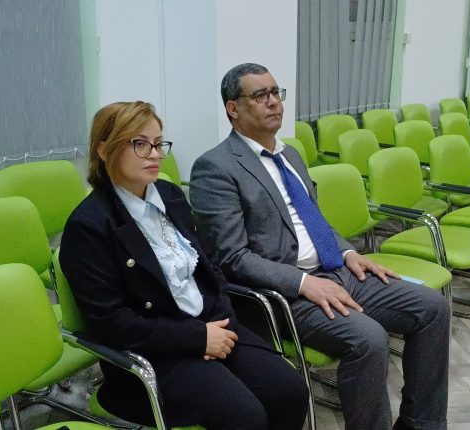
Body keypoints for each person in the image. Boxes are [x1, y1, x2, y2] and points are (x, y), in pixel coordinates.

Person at [190, 63, 450, 430]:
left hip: (336, 269)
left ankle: (420, 424)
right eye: (260, 95)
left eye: (275, 92)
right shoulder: (215, 167)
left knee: (433, 308)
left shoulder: (290, 155)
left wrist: (348, 253)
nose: (273, 102)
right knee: (369, 339)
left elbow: (316, 221)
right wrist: (304, 283)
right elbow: (232, 258)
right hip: (285, 294)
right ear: (233, 108)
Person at [59, 101, 308, 430]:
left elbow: (209, 269)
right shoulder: (89, 226)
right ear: (104, 150)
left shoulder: (169, 195)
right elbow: (113, 324)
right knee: (244, 415)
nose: (154, 154)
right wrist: (197, 338)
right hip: (154, 353)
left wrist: (219, 324)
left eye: (158, 143)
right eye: (140, 144)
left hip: (213, 326)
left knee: (291, 391)